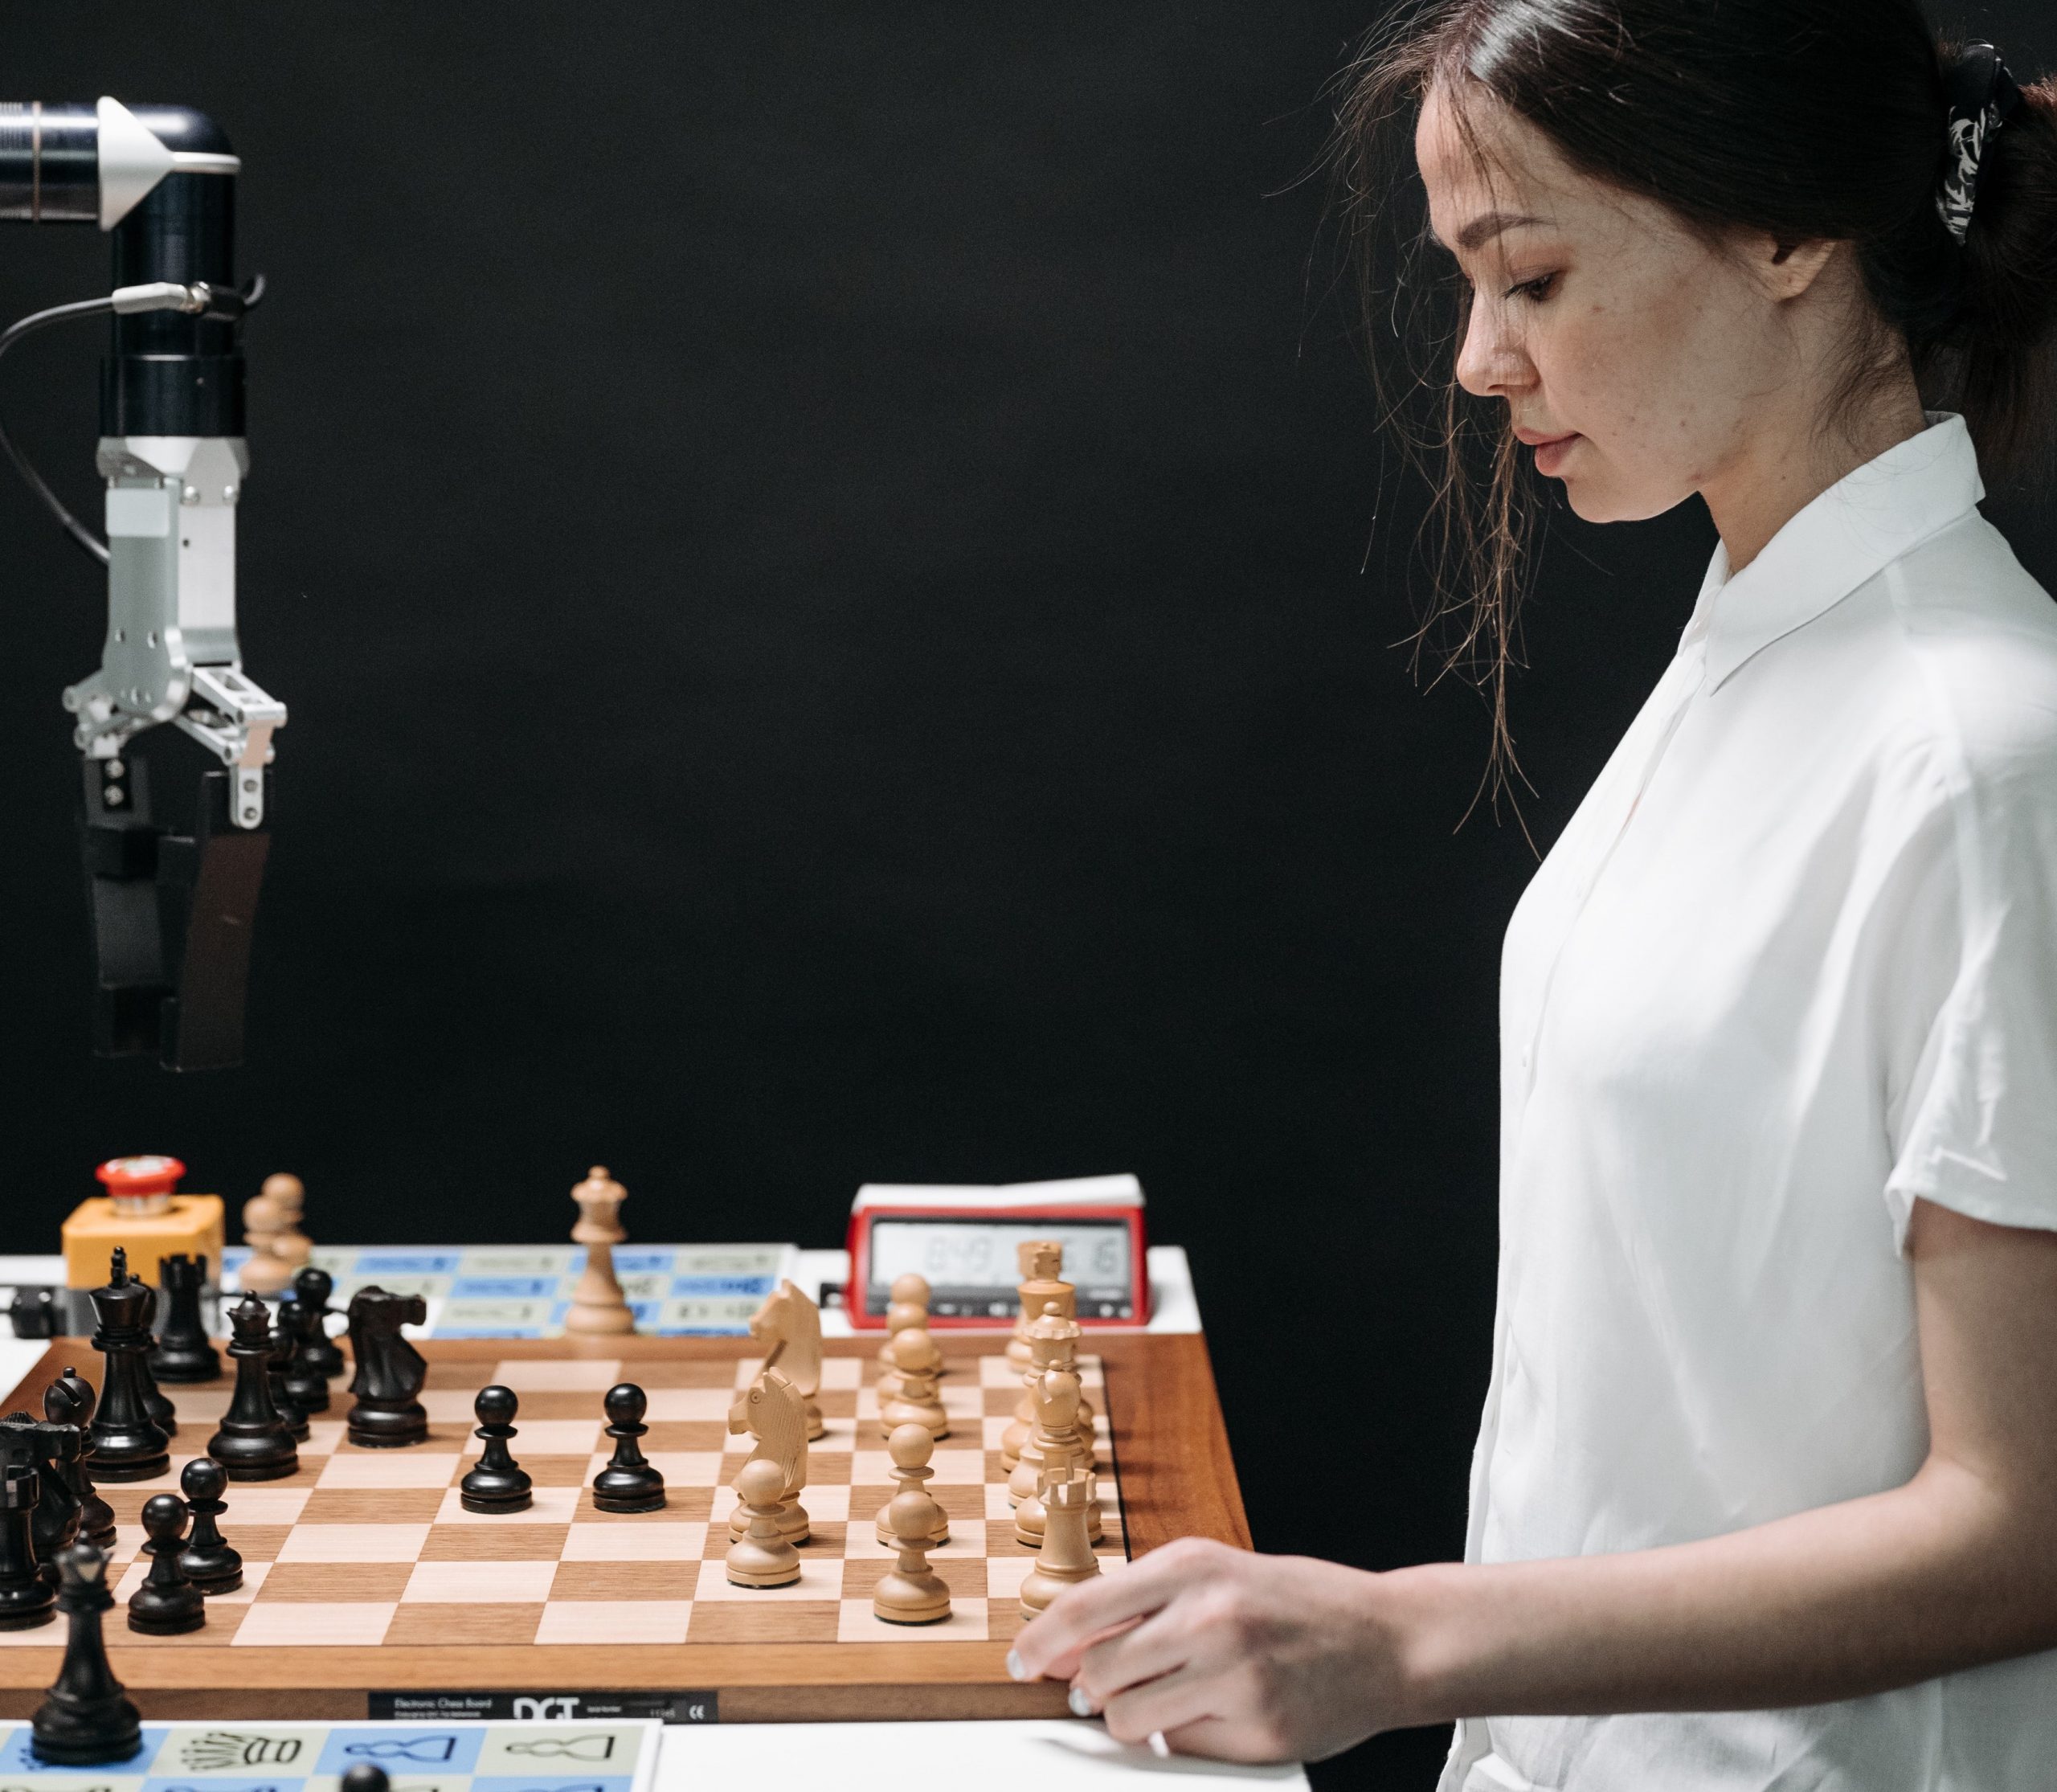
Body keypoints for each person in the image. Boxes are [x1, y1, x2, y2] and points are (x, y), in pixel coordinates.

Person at [1008, 5, 2057, 1787]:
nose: (1478, 363)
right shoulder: (1748, 656)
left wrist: (1402, 1634)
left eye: (1535, 278)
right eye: (1466, 289)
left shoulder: (1979, 752)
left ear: (1790, 233)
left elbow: (2022, 1518)